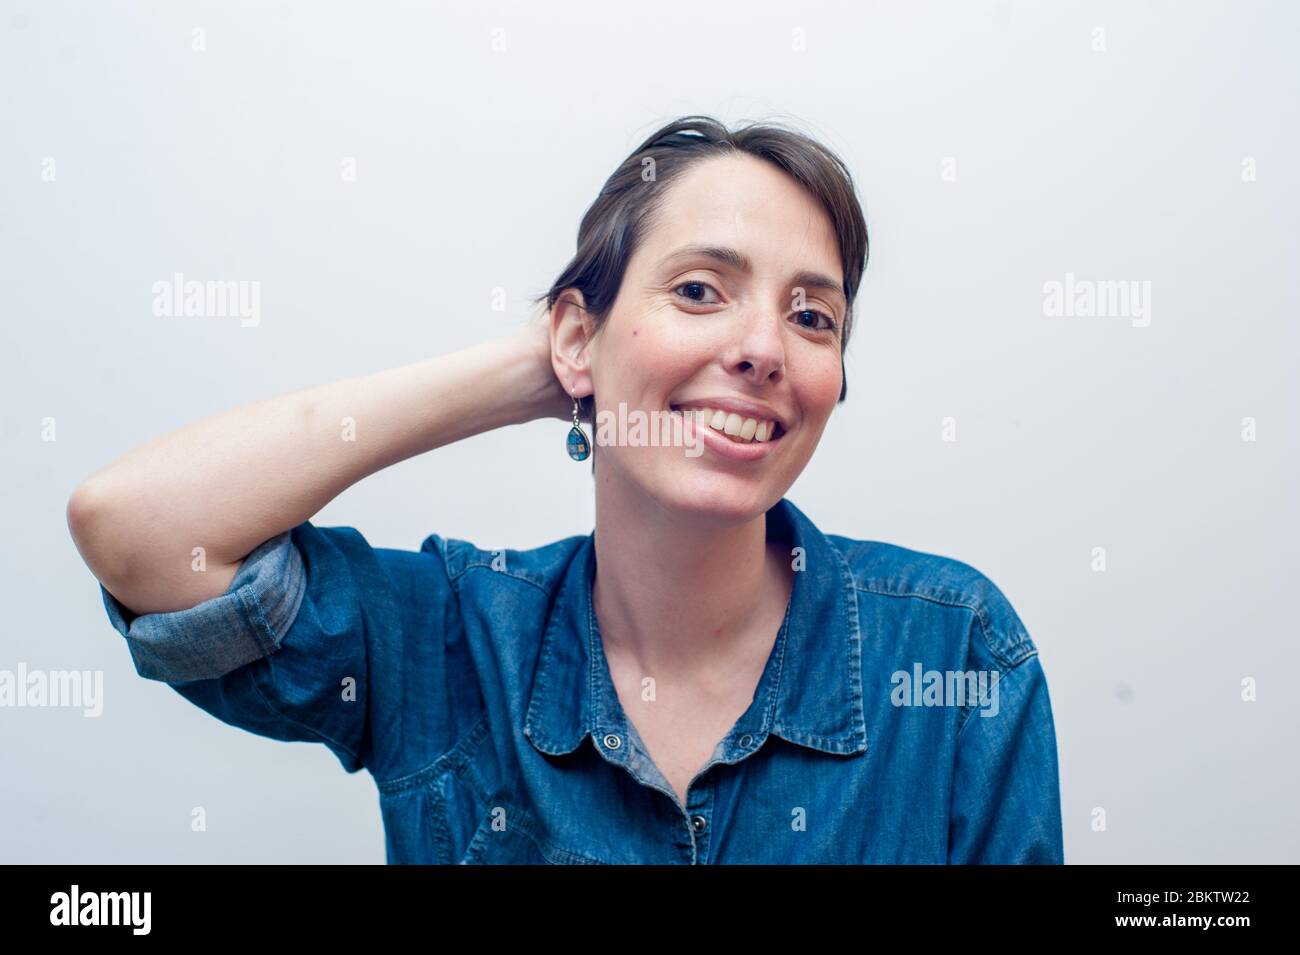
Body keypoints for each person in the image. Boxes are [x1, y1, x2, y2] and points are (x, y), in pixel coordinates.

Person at [66, 115, 1064, 864]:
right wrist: (536, 369)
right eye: (700, 290)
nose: (764, 347)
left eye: (813, 316)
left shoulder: (954, 648)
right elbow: (138, 528)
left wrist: (636, 364)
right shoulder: (446, 638)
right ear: (577, 335)